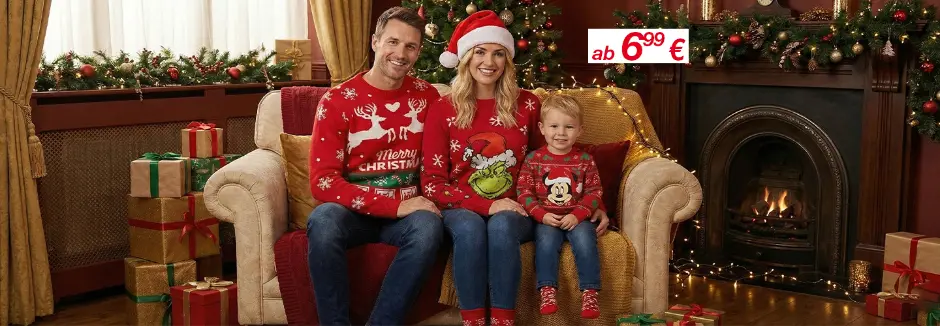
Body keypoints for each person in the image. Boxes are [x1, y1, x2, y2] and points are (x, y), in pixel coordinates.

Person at [421, 10, 610, 326]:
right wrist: (489, 203)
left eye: (498, 53)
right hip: (459, 206)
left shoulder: (526, 105)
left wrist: (595, 204)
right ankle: (472, 320)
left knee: (502, 225)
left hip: (519, 208)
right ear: (466, 56)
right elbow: (432, 183)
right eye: (480, 51)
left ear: (507, 61)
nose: (489, 61)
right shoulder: (444, 108)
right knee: (469, 228)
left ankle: (503, 319)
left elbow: (553, 158)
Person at [305, 7, 444, 326]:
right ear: (375, 42)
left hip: (408, 213)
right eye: (392, 42)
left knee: (428, 227)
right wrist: (393, 206)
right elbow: (322, 182)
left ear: (419, 51)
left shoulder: (428, 97)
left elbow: (441, 157)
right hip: (354, 214)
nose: (400, 53)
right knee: (323, 219)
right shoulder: (338, 101)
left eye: (410, 46)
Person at [516, 93, 603, 319]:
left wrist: (578, 214)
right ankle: (547, 289)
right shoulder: (533, 159)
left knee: (585, 241)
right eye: (554, 126)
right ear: (542, 128)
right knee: (545, 243)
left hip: (578, 218)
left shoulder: (585, 160)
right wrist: (540, 215)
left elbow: (594, 192)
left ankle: (590, 292)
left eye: (569, 127)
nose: (561, 133)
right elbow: (523, 193)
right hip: (546, 219)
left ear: (580, 130)